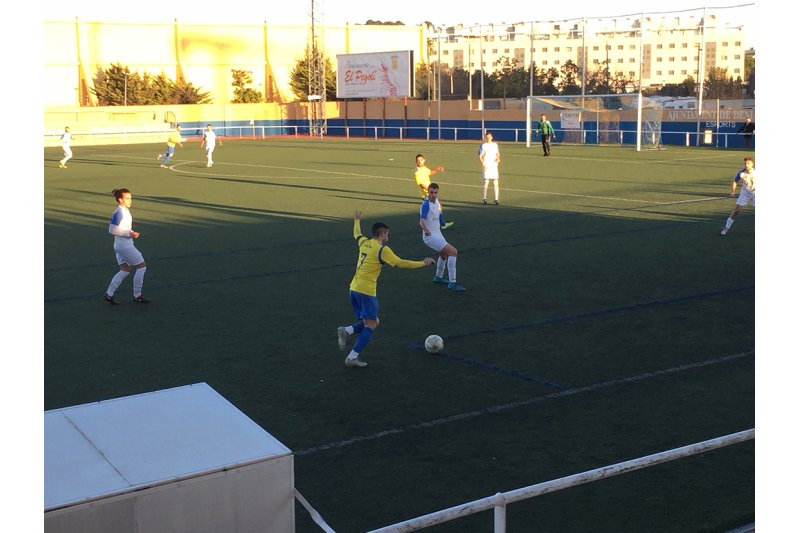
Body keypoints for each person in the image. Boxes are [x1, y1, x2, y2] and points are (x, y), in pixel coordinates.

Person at [337, 211, 435, 367]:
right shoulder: (383, 249)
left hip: (353, 288)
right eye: (387, 234)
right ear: (382, 235)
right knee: (371, 324)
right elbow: (400, 263)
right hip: (366, 291)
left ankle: (347, 331)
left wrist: (356, 220)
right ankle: (352, 357)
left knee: (373, 321)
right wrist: (423, 262)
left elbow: (357, 234)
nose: (388, 237)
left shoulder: (364, 242)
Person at [103, 189, 150, 304]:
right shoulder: (120, 212)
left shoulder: (125, 210)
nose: (130, 201)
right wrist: (129, 234)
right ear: (120, 199)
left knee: (125, 270)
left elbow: (124, 227)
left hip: (120, 246)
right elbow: (112, 229)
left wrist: (131, 232)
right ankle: (137, 295)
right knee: (141, 267)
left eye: (131, 198)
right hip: (125, 246)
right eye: (127, 198)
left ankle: (109, 294)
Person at [420, 183, 465, 292]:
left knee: (444, 255)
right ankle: (452, 282)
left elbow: (439, 215)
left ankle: (438, 277)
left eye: (435, 193)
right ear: (428, 192)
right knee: (453, 252)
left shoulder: (437, 201)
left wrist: (443, 223)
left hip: (437, 233)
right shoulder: (425, 204)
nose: (433, 195)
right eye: (431, 192)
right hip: (430, 236)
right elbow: (421, 220)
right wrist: (426, 231)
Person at [414, 153, 454, 229]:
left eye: (421, 160)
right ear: (416, 162)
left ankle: (439, 224)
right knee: (437, 208)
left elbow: (429, 172)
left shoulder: (424, 168)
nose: (419, 162)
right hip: (427, 194)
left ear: (424, 160)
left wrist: (437, 169)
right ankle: (442, 225)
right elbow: (421, 184)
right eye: (418, 161)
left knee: (435, 209)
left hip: (429, 193)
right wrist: (430, 191)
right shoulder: (417, 172)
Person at [720, 157, 755, 236]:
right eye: (745, 163)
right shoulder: (741, 173)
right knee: (736, 211)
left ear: (752, 164)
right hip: (745, 193)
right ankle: (726, 228)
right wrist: (733, 192)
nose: (746, 165)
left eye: (748, 163)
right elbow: (735, 181)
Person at [479, 131, 501, 205]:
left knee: (495, 182)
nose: (488, 138)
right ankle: (484, 199)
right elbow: (480, 156)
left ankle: (496, 199)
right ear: (485, 137)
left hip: (494, 165)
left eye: (489, 137)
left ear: (492, 137)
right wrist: (483, 164)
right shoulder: (483, 145)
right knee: (486, 182)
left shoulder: (495, 145)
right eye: (487, 137)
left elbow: (498, 153)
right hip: (487, 165)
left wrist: (498, 158)